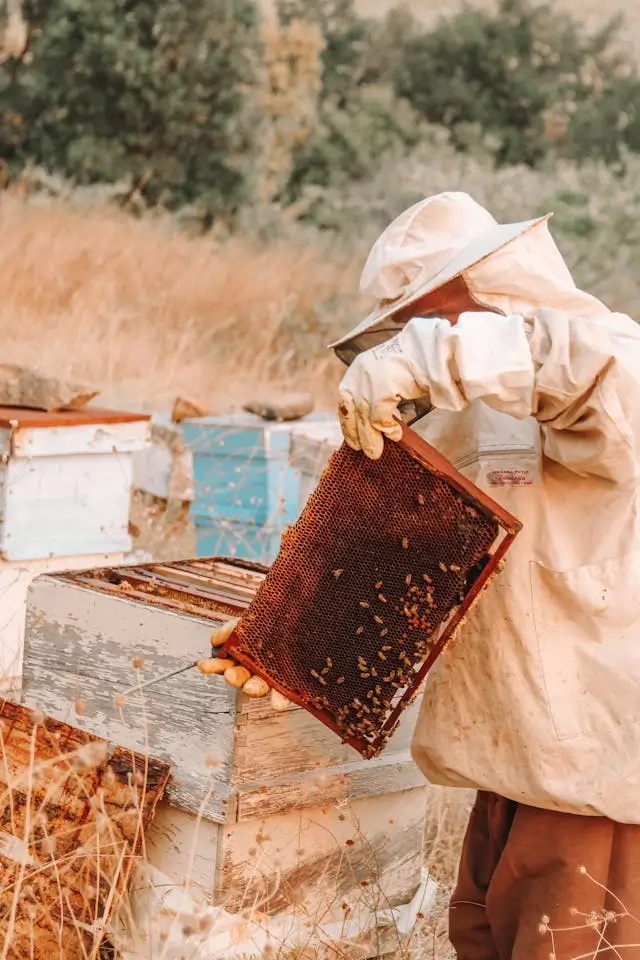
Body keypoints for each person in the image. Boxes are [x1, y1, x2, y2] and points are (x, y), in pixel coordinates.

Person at [332, 191, 640, 960]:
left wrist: (432, 355)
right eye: (411, 328)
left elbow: (582, 373)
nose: (425, 340)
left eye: (436, 319)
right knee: (482, 938)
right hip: (514, 751)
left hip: (591, 768)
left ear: (499, 288)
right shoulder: (481, 407)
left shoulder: (604, 360)